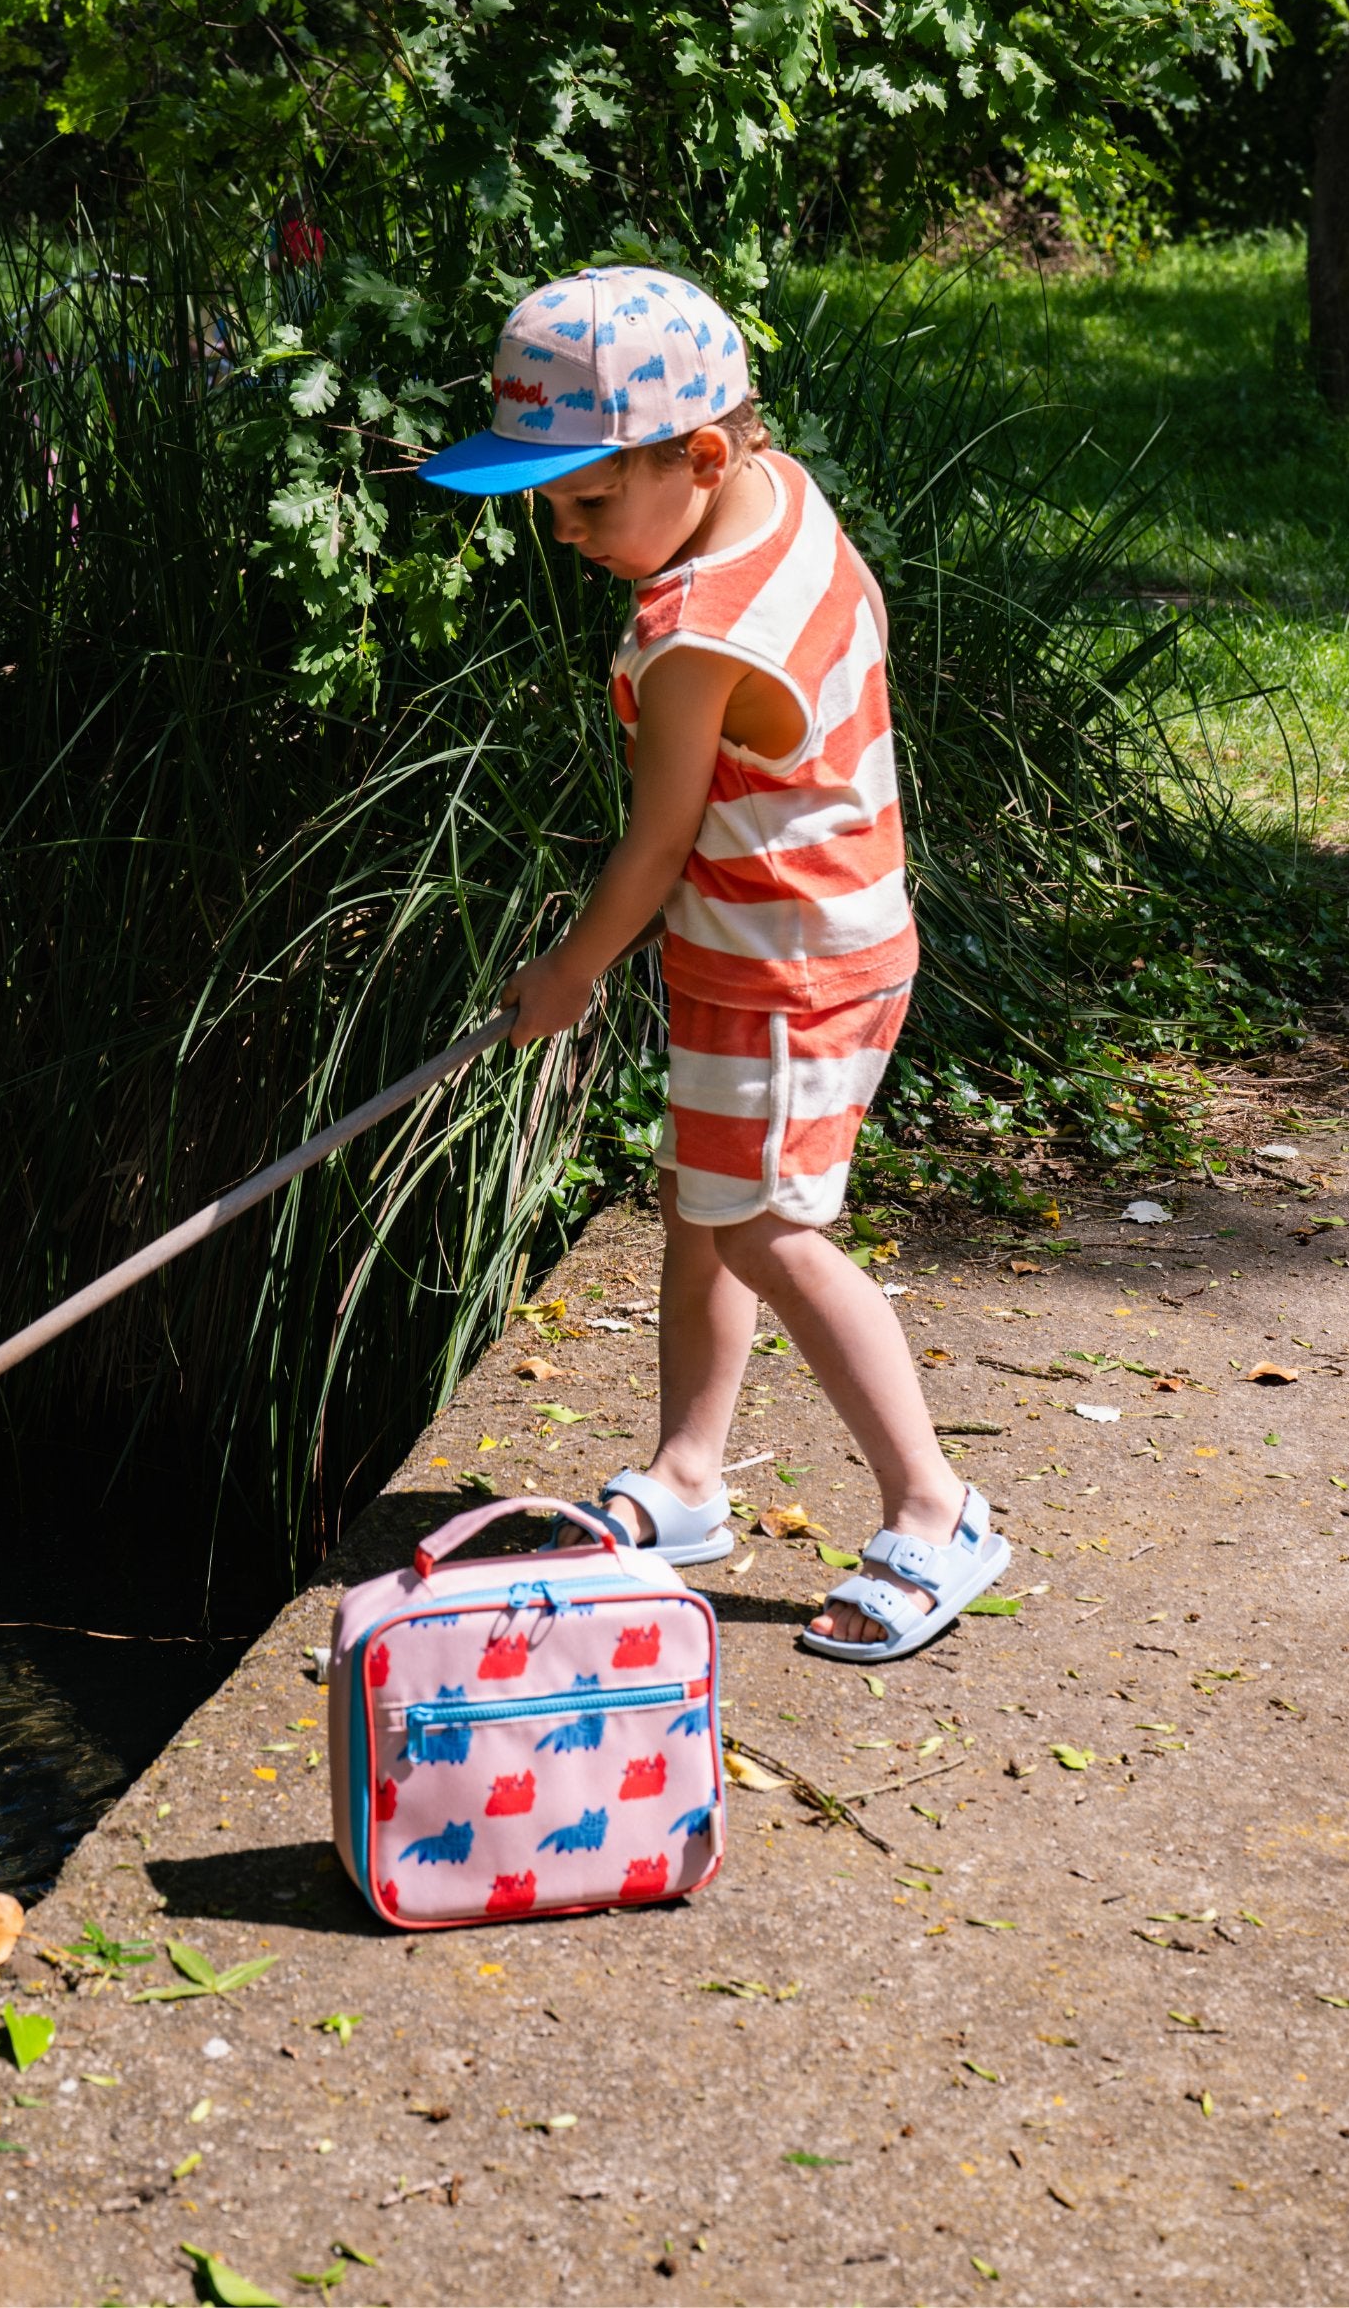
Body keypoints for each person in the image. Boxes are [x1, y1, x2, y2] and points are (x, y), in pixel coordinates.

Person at [418, 263, 1009, 1658]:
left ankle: (937, 1509)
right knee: (708, 1197)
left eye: (584, 499)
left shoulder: (693, 636)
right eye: (545, 504)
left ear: (696, 453)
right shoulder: (774, 493)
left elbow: (655, 841)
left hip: (788, 957)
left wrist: (564, 973)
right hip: (790, 931)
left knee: (763, 1223)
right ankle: (688, 1478)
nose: (560, 533)